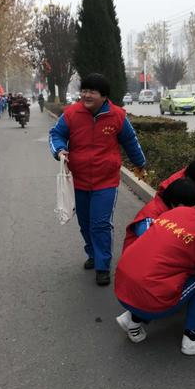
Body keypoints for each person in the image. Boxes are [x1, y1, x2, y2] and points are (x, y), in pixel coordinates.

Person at [114, 179, 195, 355]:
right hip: (149, 298)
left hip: (122, 286)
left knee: (163, 271)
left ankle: (133, 318)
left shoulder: (177, 212)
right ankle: (194, 338)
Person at [49, 73, 146, 286]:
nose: (86, 95)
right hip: (79, 179)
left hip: (106, 180)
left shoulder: (118, 116)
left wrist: (141, 164)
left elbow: (130, 141)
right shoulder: (72, 114)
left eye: (92, 91)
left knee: (100, 223)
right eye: (84, 91)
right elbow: (56, 135)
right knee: (85, 222)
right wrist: (60, 151)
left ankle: (103, 265)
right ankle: (92, 253)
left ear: (104, 96)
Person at [122, 161, 195, 252]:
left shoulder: (167, 204)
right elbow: (152, 244)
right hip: (136, 259)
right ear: (180, 206)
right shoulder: (150, 217)